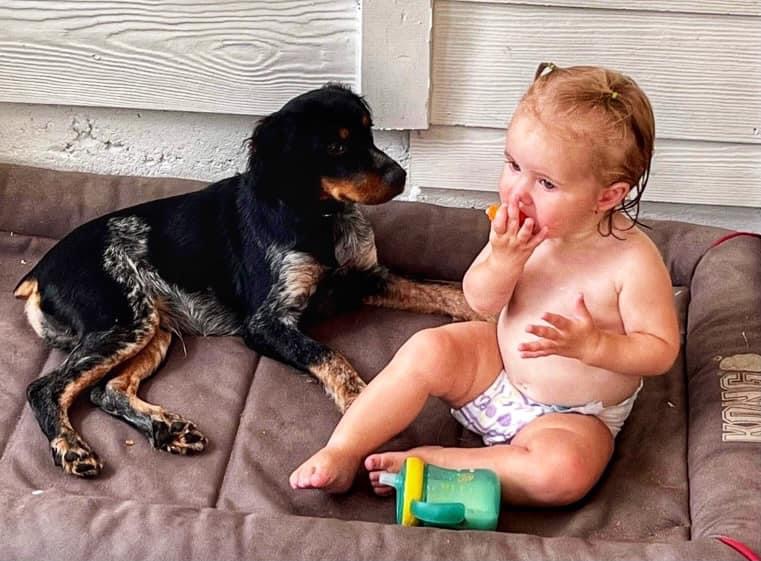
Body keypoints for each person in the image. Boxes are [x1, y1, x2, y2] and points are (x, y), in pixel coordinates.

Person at [289, 62, 680, 506]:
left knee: (565, 472)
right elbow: (480, 300)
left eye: (546, 183)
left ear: (608, 196)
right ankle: (344, 449)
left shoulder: (632, 260)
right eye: (513, 165)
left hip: (573, 414)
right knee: (429, 348)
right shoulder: (520, 230)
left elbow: (660, 349)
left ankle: (432, 463)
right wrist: (504, 260)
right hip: (497, 368)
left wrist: (595, 346)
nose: (517, 192)